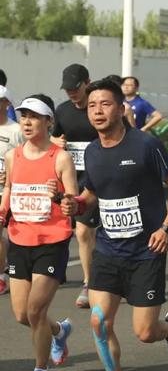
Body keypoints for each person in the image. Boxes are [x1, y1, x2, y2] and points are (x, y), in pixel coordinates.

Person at [61, 78, 168, 371]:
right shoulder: (91, 151)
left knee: (145, 333)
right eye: (92, 105)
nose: (98, 111)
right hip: (107, 250)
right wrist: (77, 204)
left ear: (121, 108)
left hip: (147, 251)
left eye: (105, 104)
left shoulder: (145, 145)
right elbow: (93, 194)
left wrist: (167, 227)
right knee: (98, 321)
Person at [0, 95, 78, 371]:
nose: (28, 122)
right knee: (22, 314)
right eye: (23, 116)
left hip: (52, 240)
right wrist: (2, 210)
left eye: (34, 116)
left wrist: (58, 195)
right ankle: (59, 331)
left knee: (35, 310)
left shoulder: (60, 158)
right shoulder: (13, 155)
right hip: (20, 238)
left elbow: (73, 198)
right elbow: (9, 187)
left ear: (49, 121)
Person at [51, 63, 101, 309]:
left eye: (76, 87)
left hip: (104, 179)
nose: (71, 92)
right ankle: (89, 283)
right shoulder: (62, 111)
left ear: (87, 82)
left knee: (104, 234)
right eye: (67, 89)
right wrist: (55, 141)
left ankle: (112, 277)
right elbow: (51, 137)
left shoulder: (99, 108)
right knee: (82, 232)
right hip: (76, 182)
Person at [0, 85, 23, 295]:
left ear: (6, 103)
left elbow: (26, 158)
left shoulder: (16, 130)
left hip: (10, 191)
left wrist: (10, 174)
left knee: (12, 232)